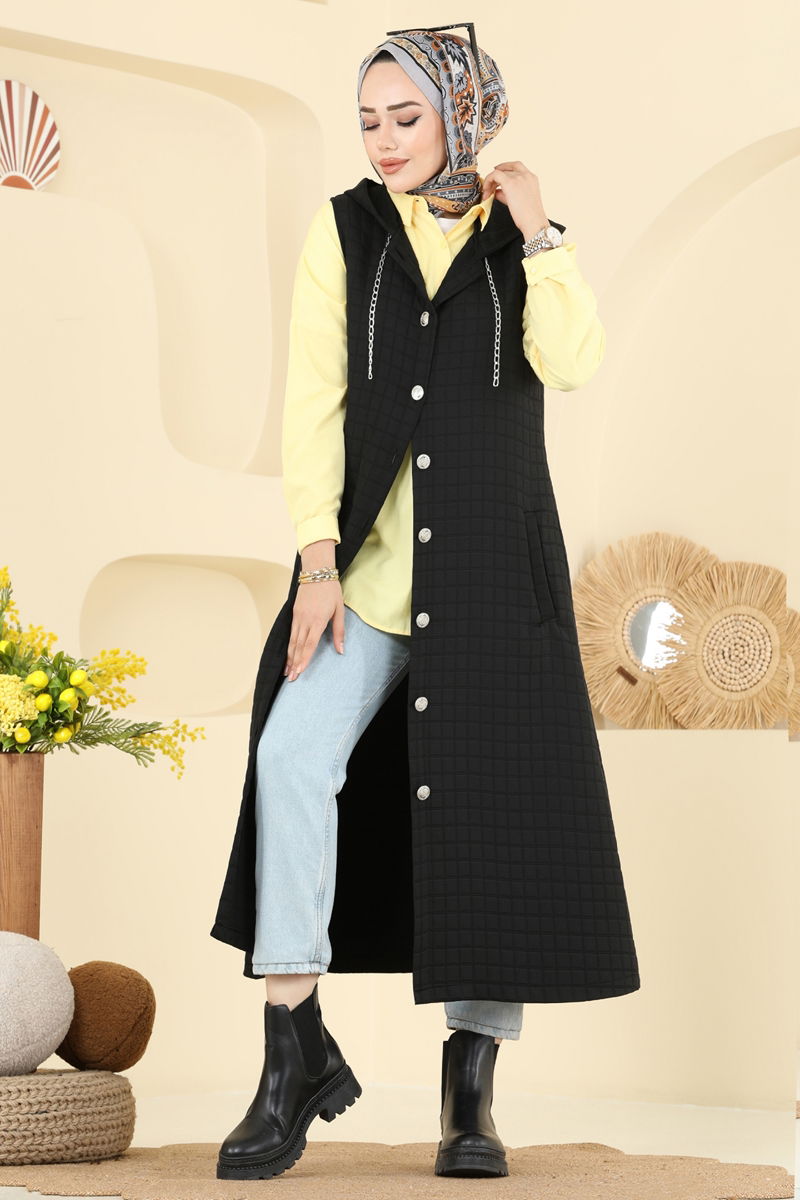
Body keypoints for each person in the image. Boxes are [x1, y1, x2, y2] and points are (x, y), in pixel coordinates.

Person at [216, 23, 631, 1183]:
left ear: (462, 114)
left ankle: (469, 1093)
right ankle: (293, 1050)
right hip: (365, 579)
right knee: (291, 758)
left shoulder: (518, 238)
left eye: (406, 118)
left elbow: (572, 361)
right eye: (368, 121)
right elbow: (312, 398)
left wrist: (540, 235)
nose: (385, 141)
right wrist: (314, 562)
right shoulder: (345, 230)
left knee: (490, 821)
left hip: (492, 578)